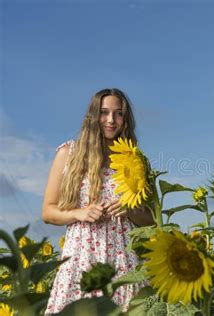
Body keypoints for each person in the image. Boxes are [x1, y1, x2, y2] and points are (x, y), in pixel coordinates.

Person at [42, 88, 154, 314]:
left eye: (118, 113)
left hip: (124, 262)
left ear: (126, 119)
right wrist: (78, 213)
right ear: (93, 116)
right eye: (104, 112)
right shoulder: (69, 153)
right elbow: (48, 212)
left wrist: (130, 210)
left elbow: (152, 219)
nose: (111, 120)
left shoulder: (134, 159)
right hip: (81, 261)